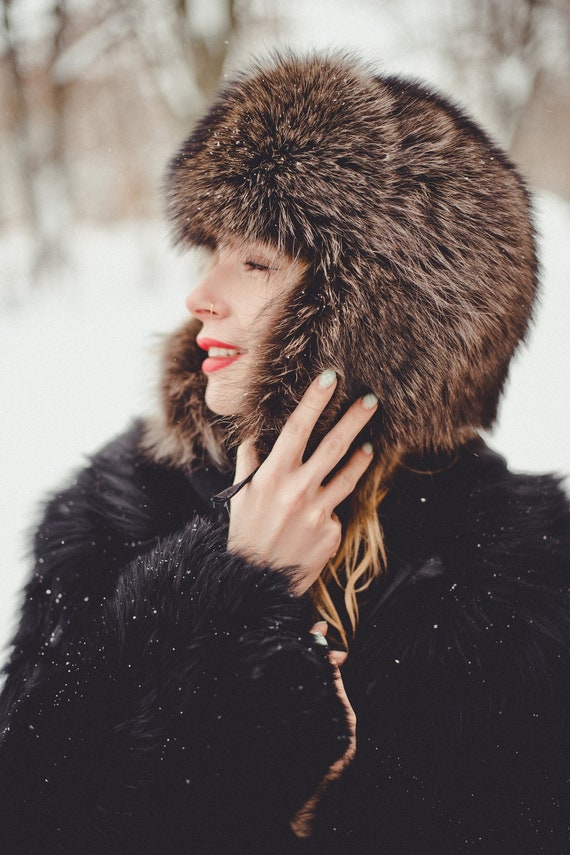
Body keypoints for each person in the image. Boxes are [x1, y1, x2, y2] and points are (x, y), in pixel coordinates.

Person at [0, 53, 568, 855]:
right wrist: (224, 585)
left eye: (256, 261)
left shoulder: (525, 575)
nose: (200, 295)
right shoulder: (112, 514)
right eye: (213, 249)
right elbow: (34, 815)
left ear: (383, 322)